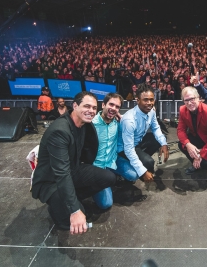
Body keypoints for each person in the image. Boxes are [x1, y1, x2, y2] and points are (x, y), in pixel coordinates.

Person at [31, 92, 116, 234]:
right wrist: (75, 210)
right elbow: (61, 173)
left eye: (94, 108)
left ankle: (71, 198)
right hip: (52, 180)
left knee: (109, 178)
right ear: (75, 106)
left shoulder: (84, 123)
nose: (91, 111)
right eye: (87, 106)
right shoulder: (59, 131)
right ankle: (59, 206)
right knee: (71, 219)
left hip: (73, 170)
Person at [92, 93, 138, 210]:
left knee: (134, 175)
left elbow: (134, 134)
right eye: (111, 104)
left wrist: (123, 120)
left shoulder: (117, 123)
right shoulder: (91, 123)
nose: (113, 108)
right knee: (106, 204)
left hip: (113, 160)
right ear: (103, 105)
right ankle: (93, 187)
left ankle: (114, 178)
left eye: (117, 106)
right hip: (97, 166)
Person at [118, 83, 169, 183]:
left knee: (161, 139)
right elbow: (128, 149)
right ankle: (139, 166)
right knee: (149, 162)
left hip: (138, 141)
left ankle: (141, 160)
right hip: (124, 148)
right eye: (145, 100)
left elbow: (156, 128)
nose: (149, 103)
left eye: (151, 99)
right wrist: (143, 171)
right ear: (137, 100)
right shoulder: (129, 120)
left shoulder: (151, 111)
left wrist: (164, 144)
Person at [177, 86, 207, 175]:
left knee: (206, 164)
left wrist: (202, 153)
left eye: (192, 99)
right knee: (182, 144)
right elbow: (180, 130)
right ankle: (196, 162)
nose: (189, 103)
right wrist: (188, 145)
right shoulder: (182, 110)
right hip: (199, 138)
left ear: (198, 98)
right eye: (186, 100)